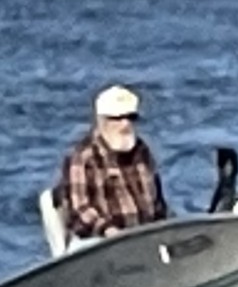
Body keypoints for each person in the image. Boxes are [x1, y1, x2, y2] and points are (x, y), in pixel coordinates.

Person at [55, 84, 170, 242]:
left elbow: (158, 204)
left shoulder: (142, 151)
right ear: (102, 121)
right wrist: (108, 231)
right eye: (117, 118)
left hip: (143, 237)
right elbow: (80, 210)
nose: (125, 124)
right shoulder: (83, 157)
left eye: (130, 117)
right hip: (97, 241)